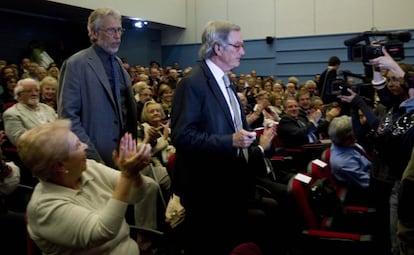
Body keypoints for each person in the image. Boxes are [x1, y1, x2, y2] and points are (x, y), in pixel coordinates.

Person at [170, 20, 260, 255]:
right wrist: (230, 141)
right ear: (218, 48)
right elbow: (182, 137)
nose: (243, 51)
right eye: (238, 45)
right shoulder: (192, 83)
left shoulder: (226, 79)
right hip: (207, 190)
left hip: (230, 183)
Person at [17, 119, 159, 254]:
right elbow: (102, 231)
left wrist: (134, 174)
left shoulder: (87, 167)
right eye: (78, 145)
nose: (86, 146)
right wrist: (127, 175)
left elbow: (137, 194)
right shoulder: (44, 207)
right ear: (60, 166)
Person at [338, 47, 414, 255]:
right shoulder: (394, 106)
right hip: (389, 177)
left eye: (396, 79)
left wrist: (360, 103)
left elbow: (383, 133)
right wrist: (377, 67)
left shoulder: (406, 111)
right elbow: (366, 133)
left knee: (401, 240)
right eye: (389, 80)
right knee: (391, 236)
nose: (391, 84)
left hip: (399, 180)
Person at [58, 7, 138, 169]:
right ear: (94, 33)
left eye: (119, 30)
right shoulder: (76, 64)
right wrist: (93, 156)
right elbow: (68, 117)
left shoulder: (118, 64)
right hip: (93, 159)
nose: (117, 36)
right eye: (110, 30)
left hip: (122, 156)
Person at [3, 78, 57, 146]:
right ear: (19, 95)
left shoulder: (48, 109)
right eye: (29, 91)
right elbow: (20, 140)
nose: (34, 94)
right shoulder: (12, 114)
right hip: (35, 153)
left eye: (37, 90)